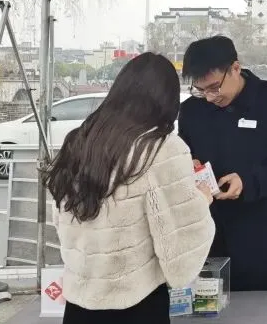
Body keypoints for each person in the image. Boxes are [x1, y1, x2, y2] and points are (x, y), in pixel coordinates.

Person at [45, 53, 215, 324]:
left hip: (79, 300)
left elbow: (60, 216)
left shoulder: (79, 140)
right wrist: (202, 199)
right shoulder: (162, 148)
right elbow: (177, 242)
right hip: (136, 301)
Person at [178, 36, 267, 292]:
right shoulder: (192, 110)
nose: (209, 97)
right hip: (211, 234)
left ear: (235, 68)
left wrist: (247, 182)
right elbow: (184, 156)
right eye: (200, 90)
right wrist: (188, 166)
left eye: (214, 87)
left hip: (265, 233)